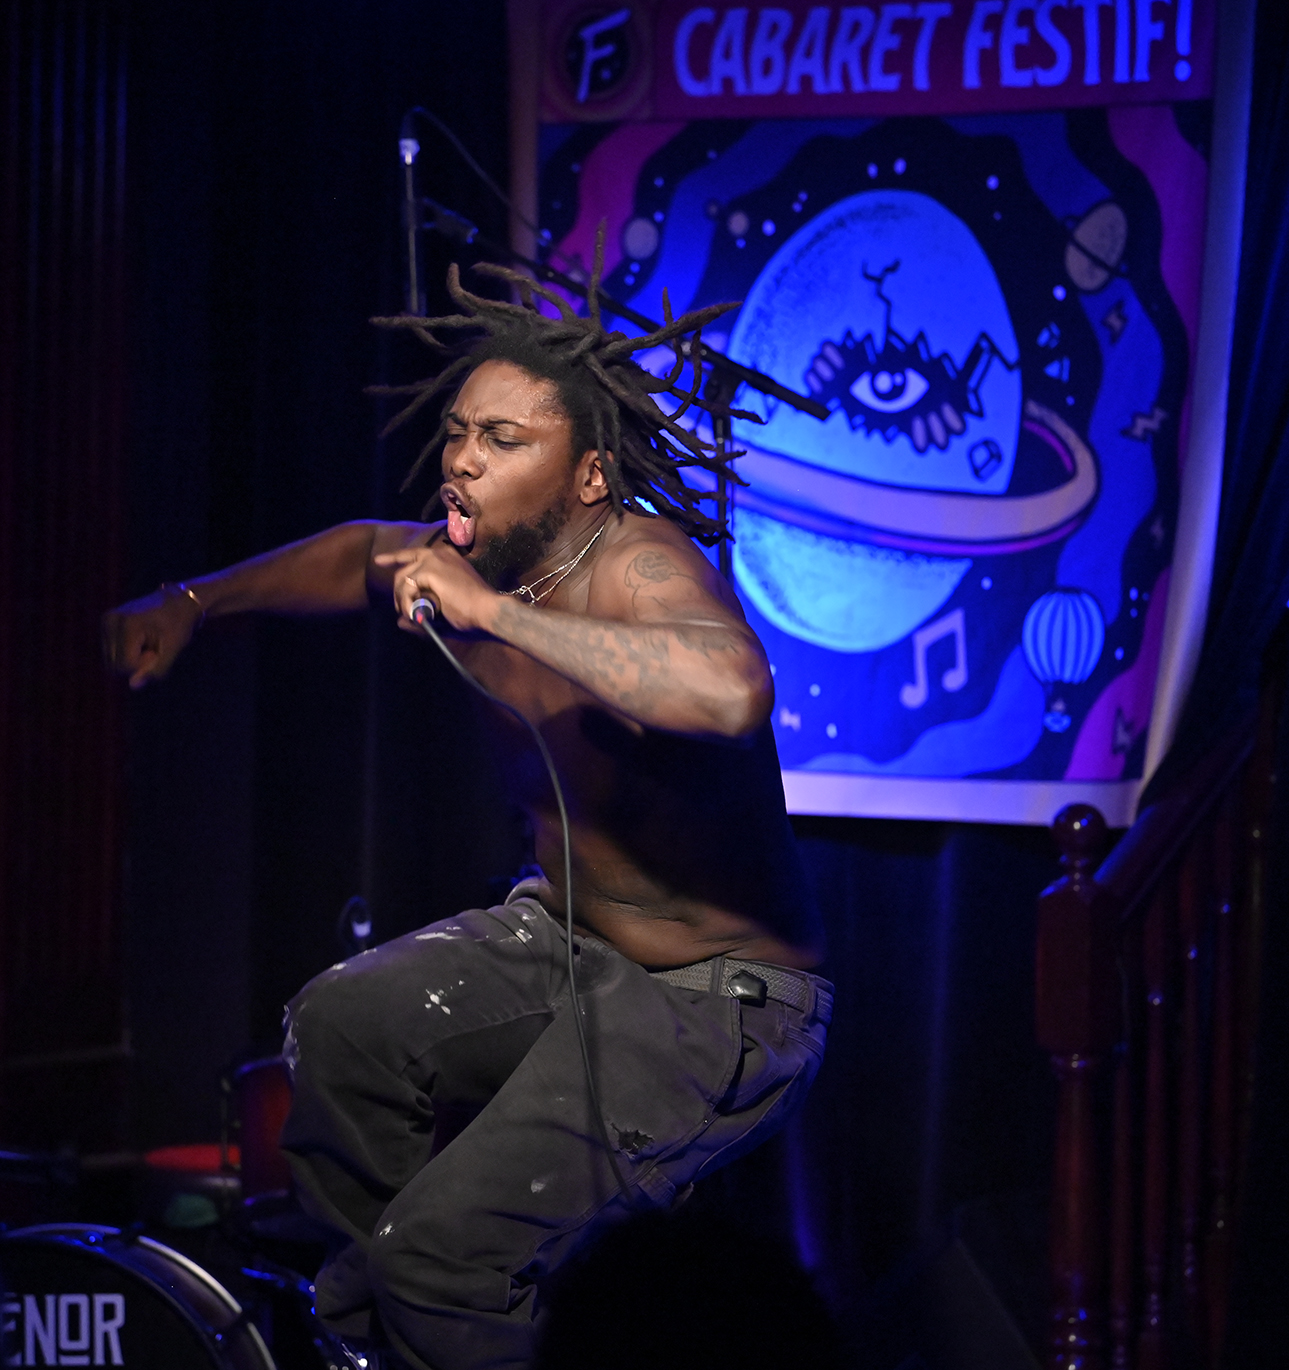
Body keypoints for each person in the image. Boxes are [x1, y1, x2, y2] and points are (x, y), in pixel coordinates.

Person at [103, 253, 832, 1370]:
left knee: (441, 1258)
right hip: (566, 939)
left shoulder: (637, 562)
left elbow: (730, 691)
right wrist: (193, 601)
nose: (461, 460)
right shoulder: (470, 561)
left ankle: (434, 1285)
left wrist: (494, 614)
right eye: (457, 433)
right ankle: (392, 1330)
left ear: (588, 476)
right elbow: (355, 554)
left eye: (502, 439)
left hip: (723, 999)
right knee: (340, 1030)